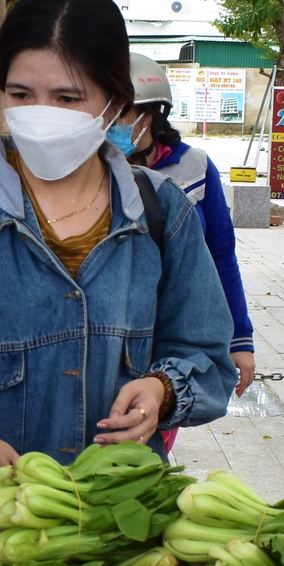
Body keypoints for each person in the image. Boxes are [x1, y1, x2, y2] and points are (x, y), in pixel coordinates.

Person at [0, 0, 234, 479]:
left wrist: (161, 388)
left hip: (122, 517)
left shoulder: (163, 212)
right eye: (22, 95)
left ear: (114, 104)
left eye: (67, 98)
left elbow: (206, 354)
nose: (41, 115)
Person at [115, 51, 257, 395]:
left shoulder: (194, 168)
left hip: (173, 334)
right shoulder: (91, 170)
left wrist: (240, 337)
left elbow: (221, 255)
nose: (108, 123)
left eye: (120, 113)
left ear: (150, 116)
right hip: (112, 333)